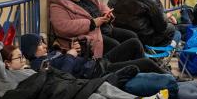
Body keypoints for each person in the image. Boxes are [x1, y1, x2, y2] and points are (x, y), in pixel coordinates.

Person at [0, 42, 169, 99]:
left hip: (68, 85)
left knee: (102, 86)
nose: (23, 60)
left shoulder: (26, 70)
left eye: (22, 56)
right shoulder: (5, 80)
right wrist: (0, 45)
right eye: (18, 57)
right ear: (5, 64)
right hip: (61, 96)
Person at [49, 0, 140, 58]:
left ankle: (136, 65)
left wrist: (106, 13)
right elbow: (62, 26)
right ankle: (124, 68)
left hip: (103, 29)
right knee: (116, 45)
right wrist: (92, 23)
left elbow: (99, 5)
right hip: (89, 36)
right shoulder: (57, 6)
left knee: (132, 35)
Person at [20, 33, 166, 76]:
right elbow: (64, 75)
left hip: (98, 62)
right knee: (146, 63)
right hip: (97, 73)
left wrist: (78, 51)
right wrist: (70, 56)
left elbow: (75, 61)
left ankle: (141, 78)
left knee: (133, 41)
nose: (44, 45)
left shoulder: (50, 54)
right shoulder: (38, 65)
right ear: (31, 49)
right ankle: (171, 80)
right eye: (40, 44)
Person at [108, 0, 179, 47]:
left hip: (121, 34)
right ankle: (159, 56)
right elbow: (161, 27)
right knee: (172, 29)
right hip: (143, 38)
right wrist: (166, 17)